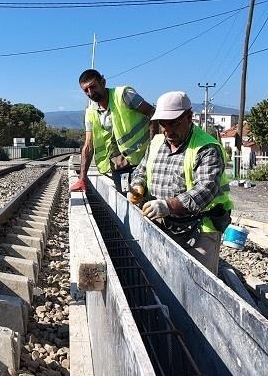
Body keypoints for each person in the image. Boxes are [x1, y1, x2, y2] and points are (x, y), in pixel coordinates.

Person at [128, 91, 233, 274]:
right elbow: (141, 170)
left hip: (199, 228)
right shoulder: (156, 142)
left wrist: (168, 205)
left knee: (199, 282)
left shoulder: (207, 148)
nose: (168, 130)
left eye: (174, 123)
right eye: (163, 124)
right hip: (163, 223)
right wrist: (138, 185)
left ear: (189, 117)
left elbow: (206, 189)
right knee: (164, 275)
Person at [69, 69, 154, 193]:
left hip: (143, 161)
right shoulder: (90, 112)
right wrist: (82, 178)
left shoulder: (123, 95)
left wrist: (154, 149)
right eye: (86, 90)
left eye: (93, 87)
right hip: (118, 166)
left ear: (103, 82)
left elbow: (153, 114)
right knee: (128, 200)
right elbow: (88, 146)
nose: (90, 92)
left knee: (147, 199)